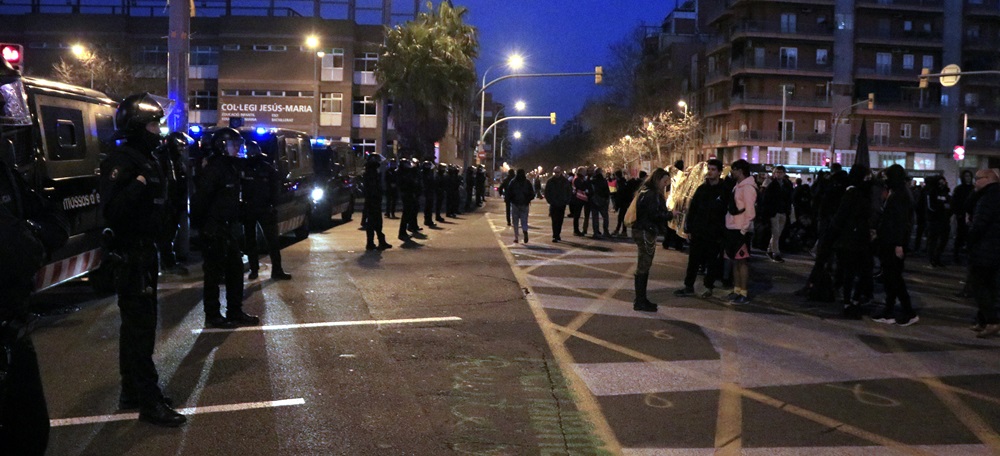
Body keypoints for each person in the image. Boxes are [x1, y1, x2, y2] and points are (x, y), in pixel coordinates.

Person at [99, 93, 186, 426]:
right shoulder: (123, 161)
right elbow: (113, 211)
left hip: (146, 252)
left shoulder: (148, 158)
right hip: (130, 254)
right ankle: (149, 402)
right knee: (140, 329)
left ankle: (132, 391)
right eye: (152, 124)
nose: (157, 130)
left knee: (136, 327)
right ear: (137, 127)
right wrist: (137, 184)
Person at [0, 61, 70, 452]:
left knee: (29, 431)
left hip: (13, 326)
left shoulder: (5, 169)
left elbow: (52, 223)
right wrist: (26, 242)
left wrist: (31, 240)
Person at [193, 127, 260, 330]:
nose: (237, 148)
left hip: (230, 228)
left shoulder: (231, 167)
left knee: (235, 271)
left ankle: (235, 311)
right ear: (222, 145)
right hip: (215, 228)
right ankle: (212, 314)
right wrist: (204, 228)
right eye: (233, 144)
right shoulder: (214, 169)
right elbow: (201, 200)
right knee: (213, 275)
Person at [871, 164, 918, 326]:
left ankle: (908, 311)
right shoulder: (899, 193)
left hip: (892, 242)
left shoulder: (900, 195)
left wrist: (899, 244)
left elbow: (900, 222)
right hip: (889, 241)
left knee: (894, 278)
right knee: (891, 278)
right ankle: (889, 310)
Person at [675, 159, 727, 298]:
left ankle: (708, 286)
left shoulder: (724, 190)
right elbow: (693, 209)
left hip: (714, 232)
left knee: (712, 261)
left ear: (719, 172)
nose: (710, 172)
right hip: (699, 230)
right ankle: (688, 286)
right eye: (709, 169)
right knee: (694, 260)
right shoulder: (702, 188)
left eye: (713, 169)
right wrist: (689, 228)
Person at [827, 164, 873, 318]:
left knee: (857, 270)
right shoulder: (855, 192)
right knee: (852, 271)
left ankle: (852, 299)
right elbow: (842, 215)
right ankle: (849, 300)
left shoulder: (860, 191)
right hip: (853, 237)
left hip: (855, 237)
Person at [241, 140, 291, 281]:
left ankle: (269, 270)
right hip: (253, 208)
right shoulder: (246, 166)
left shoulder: (265, 168)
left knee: (269, 241)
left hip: (261, 208)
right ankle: (259, 270)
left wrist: (273, 206)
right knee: (258, 241)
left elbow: (276, 188)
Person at [631, 168, 673, 312]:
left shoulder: (644, 191)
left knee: (644, 264)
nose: (666, 184)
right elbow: (654, 214)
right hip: (645, 231)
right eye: (664, 181)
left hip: (641, 229)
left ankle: (641, 299)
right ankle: (640, 301)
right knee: (644, 264)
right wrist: (670, 214)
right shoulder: (652, 194)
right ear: (658, 179)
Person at [967, 169, 1000, 338]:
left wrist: (969, 241)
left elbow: (979, 224)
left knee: (979, 285)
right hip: (994, 248)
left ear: (988, 179)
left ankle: (992, 321)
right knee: (991, 286)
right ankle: (984, 320)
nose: (975, 182)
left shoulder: (988, 198)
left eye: (978, 179)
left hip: (986, 248)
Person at [155, 131, 191, 274]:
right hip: (168, 203)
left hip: (174, 202)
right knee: (166, 234)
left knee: (170, 233)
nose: (182, 149)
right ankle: (167, 262)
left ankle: (168, 260)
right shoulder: (166, 159)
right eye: (181, 146)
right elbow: (170, 182)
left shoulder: (176, 159)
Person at [724, 159, 757, 304]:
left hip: (740, 230)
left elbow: (750, 211)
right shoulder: (737, 186)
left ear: (740, 171)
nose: (732, 172)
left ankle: (743, 292)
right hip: (732, 227)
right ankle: (737, 289)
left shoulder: (748, 188)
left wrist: (744, 229)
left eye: (734, 170)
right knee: (735, 261)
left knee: (742, 261)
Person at [762, 165, 792, 263]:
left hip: (782, 211)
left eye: (780, 172)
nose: (778, 174)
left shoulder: (787, 184)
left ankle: (770, 250)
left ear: (784, 173)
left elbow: (789, 198)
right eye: (777, 172)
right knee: (775, 233)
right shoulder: (772, 185)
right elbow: (766, 199)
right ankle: (776, 253)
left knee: (778, 233)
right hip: (775, 211)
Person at [363, 154, 392, 251]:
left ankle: (378, 242)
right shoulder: (371, 172)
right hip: (373, 201)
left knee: (375, 222)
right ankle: (372, 243)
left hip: (373, 200)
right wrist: (376, 197)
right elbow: (373, 188)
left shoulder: (372, 171)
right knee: (374, 222)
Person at [925, 175, 951, 267]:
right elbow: (930, 206)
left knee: (943, 240)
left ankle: (937, 257)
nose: (942, 183)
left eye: (943, 181)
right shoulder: (932, 192)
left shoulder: (946, 192)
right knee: (933, 240)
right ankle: (932, 259)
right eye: (940, 181)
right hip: (934, 220)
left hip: (944, 220)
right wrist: (942, 208)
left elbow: (950, 204)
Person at [505, 168, 535, 243]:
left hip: (515, 204)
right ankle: (525, 231)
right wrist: (528, 200)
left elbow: (508, 192)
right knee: (524, 220)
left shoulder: (513, 182)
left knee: (515, 221)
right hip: (525, 204)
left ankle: (516, 237)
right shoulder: (527, 182)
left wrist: (510, 200)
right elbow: (532, 193)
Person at [544, 166, 572, 242]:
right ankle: (555, 235)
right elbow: (547, 192)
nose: (557, 174)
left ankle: (558, 234)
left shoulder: (565, 181)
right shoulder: (550, 181)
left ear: (561, 172)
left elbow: (569, 191)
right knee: (554, 220)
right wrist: (550, 201)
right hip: (553, 203)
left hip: (562, 203)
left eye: (558, 172)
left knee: (560, 220)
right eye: (555, 172)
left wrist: (567, 200)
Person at [952, 170, 974, 262]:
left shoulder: (974, 188)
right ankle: (956, 255)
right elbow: (955, 202)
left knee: (971, 236)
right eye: (966, 176)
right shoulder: (959, 189)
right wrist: (959, 213)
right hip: (962, 214)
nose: (968, 178)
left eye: (969, 176)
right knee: (960, 234)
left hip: (972, 215)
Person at [398, 158, 422, 241]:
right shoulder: (401, 173)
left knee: (409, 213)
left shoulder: (408, 172)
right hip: (406, 195)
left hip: (410, 194)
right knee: (406, 214)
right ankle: (402, 232)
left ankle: (406, 230)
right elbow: (405, 184)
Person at [611, 169, 633, 237]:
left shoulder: (620, 183)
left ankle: (622, 231)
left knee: (621, 217)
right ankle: (620, 230)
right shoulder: (624, 182)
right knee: (621, 217)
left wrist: (616, 206)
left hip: (623, 202)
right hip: (625, 202)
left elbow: (619, 195)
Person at [590, 168, 611, 238]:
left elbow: (590, 191)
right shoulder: (604, 181)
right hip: (603, 200)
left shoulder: (592, 181)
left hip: (594, 201)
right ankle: (606, 231)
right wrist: (606, 199)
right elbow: (607, 191)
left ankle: (596, 232)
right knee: (605, 217)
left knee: (595, 218)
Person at [570, 168, 589, 236]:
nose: (585, 173)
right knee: (576, 215)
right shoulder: (577, 179)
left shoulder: (579, 178)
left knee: (577, 215)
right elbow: (582, 187)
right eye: (584, 171)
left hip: (580, 198)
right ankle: (576, 230)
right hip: (578, 199)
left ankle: (577, 230)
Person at [421, 161, 438, 228]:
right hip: (426, 192)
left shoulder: (430, 173)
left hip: (430, 191)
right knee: (427, 207)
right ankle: (427, 220)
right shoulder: (423, 173)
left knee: (430, 206)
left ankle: (429, 220)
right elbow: (423, 182)